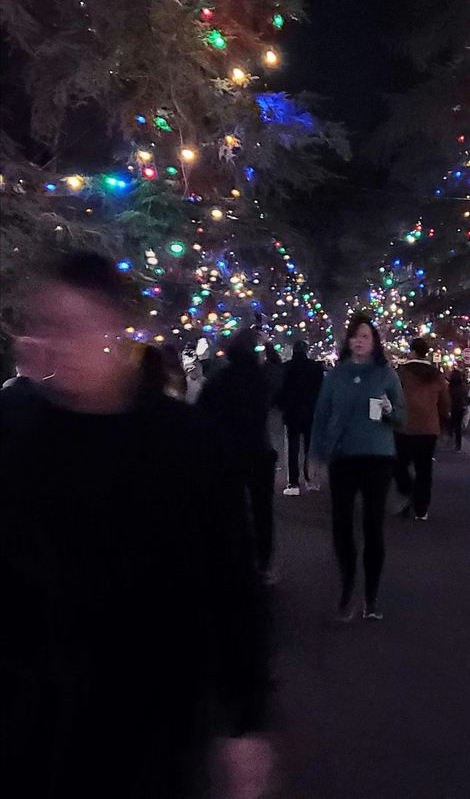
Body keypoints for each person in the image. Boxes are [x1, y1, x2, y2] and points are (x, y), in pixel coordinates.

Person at [0, 252, 273, 799]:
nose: (59, 345)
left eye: (74, 327)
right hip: (28, 719)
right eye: (46, 327)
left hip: (152, 715)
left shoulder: (184, 444)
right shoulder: (15, 431)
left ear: (114, 330)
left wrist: (244, 718)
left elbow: (231, 582)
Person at [310, 314, 406, 622]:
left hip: (378, 457)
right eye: (355, 336)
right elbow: (321, 415)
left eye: (365, 336)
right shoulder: (336, 375)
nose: (359, 341)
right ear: (348, 341)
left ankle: (371, 596)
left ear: (375, 342)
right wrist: (316, 455)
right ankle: (347, 586)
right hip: (343, 457)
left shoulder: (386, 375)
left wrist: (390, 410)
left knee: (372, 525)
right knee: (341, 525)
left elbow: (402, 418)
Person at [199, 329, 277, 580]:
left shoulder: (219, 379)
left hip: (228, 452)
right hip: (259, 450)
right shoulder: (261, 379)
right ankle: (264, 562)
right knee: (262, 509)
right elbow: (277, 380)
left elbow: (202, 413)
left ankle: (235, 559)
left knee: (232, 507)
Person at [394, 337, 450, 520]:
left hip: (404, 426)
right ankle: (421, 508)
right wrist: (442, 421)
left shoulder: (402, 372)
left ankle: (408, 491)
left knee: (399, 465)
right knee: (424, 470)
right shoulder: (436, 375)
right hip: (428, 427)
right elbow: (444, 402)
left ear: (412, 351)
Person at [278, 339, 324, 495]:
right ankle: (310, 479)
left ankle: (293, 482)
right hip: (311, 412)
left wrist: (282, 406)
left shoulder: (286, 368)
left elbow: (280, 391)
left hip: (291, 413)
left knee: (292, 448)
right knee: (310, 447)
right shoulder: (316, 368)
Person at [448, 368, 469, 451]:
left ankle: (450, 442)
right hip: (460, 407)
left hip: (451, 407)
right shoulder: (462, 386)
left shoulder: (450, 386)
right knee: (458, 426)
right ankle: (458, 445)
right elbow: (465, 397)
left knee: (450, 425)